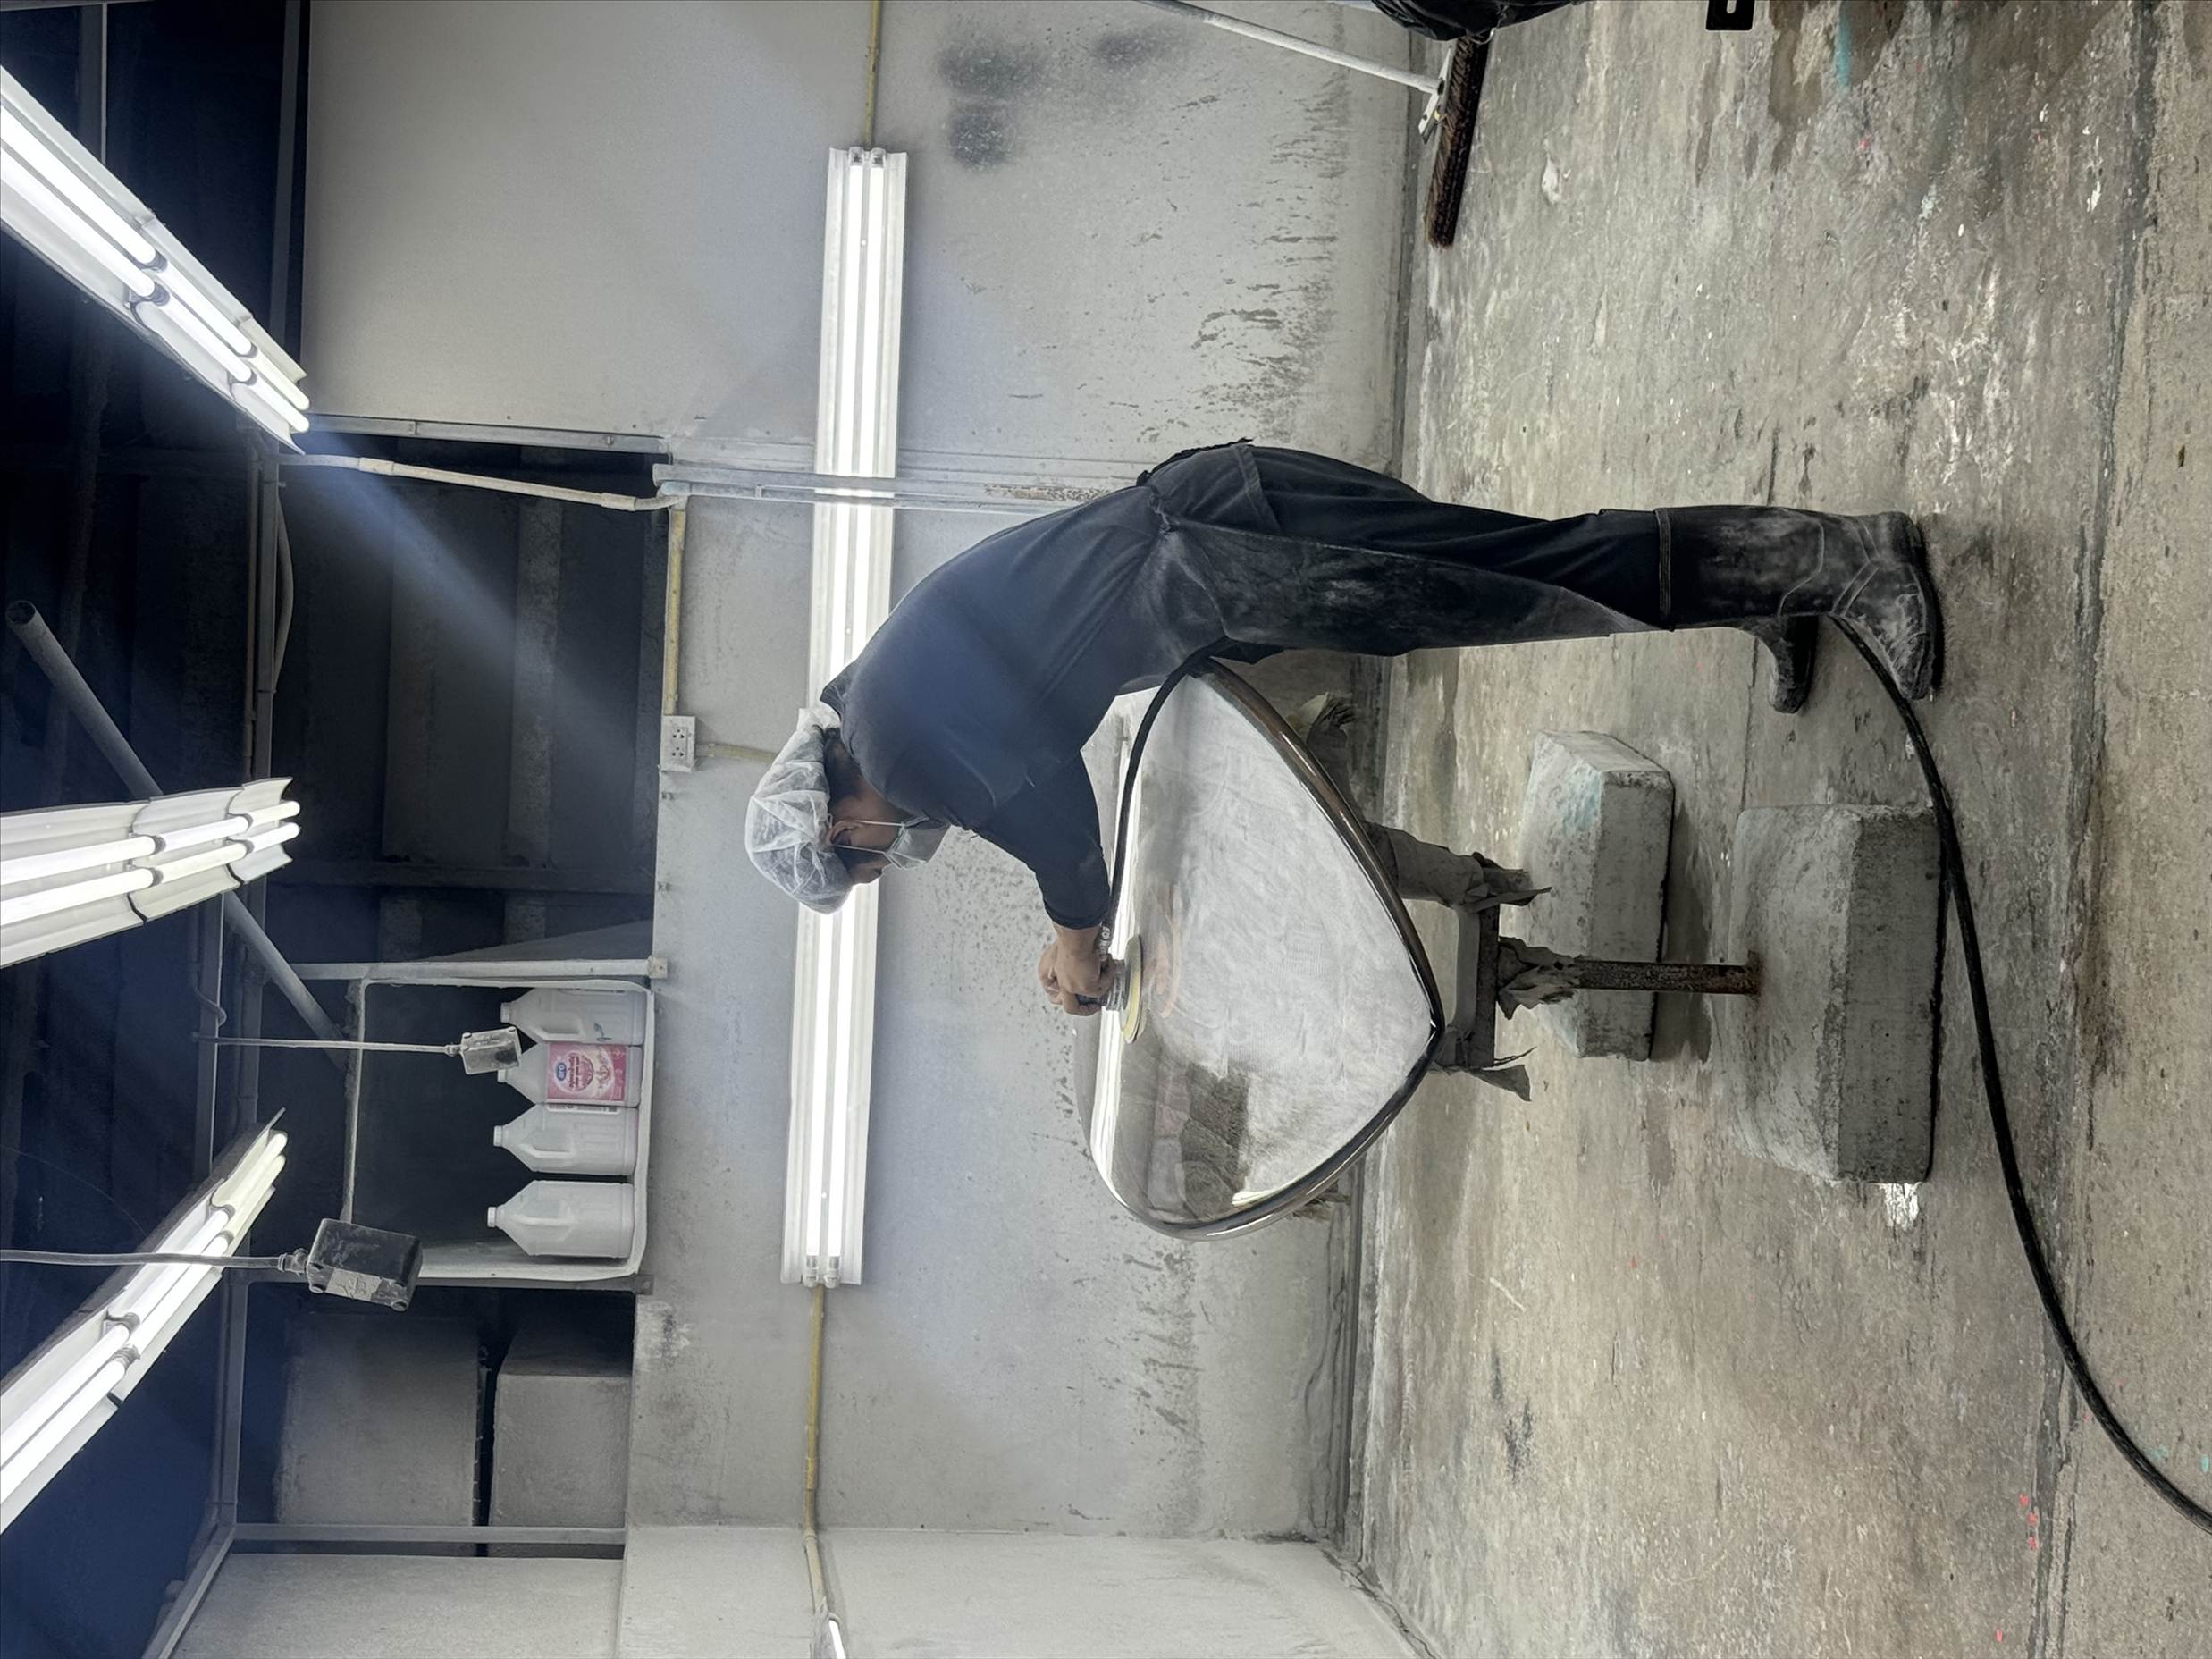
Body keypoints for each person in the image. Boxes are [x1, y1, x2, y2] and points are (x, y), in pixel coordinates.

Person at [744, 442, 1940, 1016]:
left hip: (1235, 552)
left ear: (839, 824)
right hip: (1227, 529)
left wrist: (1073, 940)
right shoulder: (891, 697)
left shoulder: (896, 750)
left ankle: (1844, 557)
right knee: (1522, 573)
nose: (889, 857)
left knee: (1532, 578)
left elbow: (1059, 827)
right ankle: (1764, 592)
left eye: (864, 861)